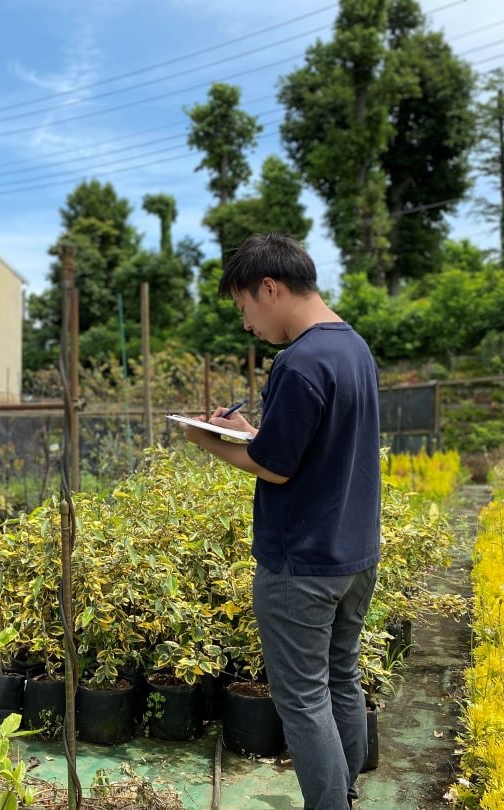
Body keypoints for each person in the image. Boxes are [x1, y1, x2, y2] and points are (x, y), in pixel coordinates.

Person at [179, 233, 380, 810]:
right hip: (355, 550)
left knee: (302, 699)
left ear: (270, 287)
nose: (246, 324)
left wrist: (203, 439)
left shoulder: (301, 360)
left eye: (245, 308)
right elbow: (307, 445)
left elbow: (274, 468)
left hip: (302, 562)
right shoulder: (353, 348)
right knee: (341, 678)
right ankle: (344, 793)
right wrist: (247, 432)